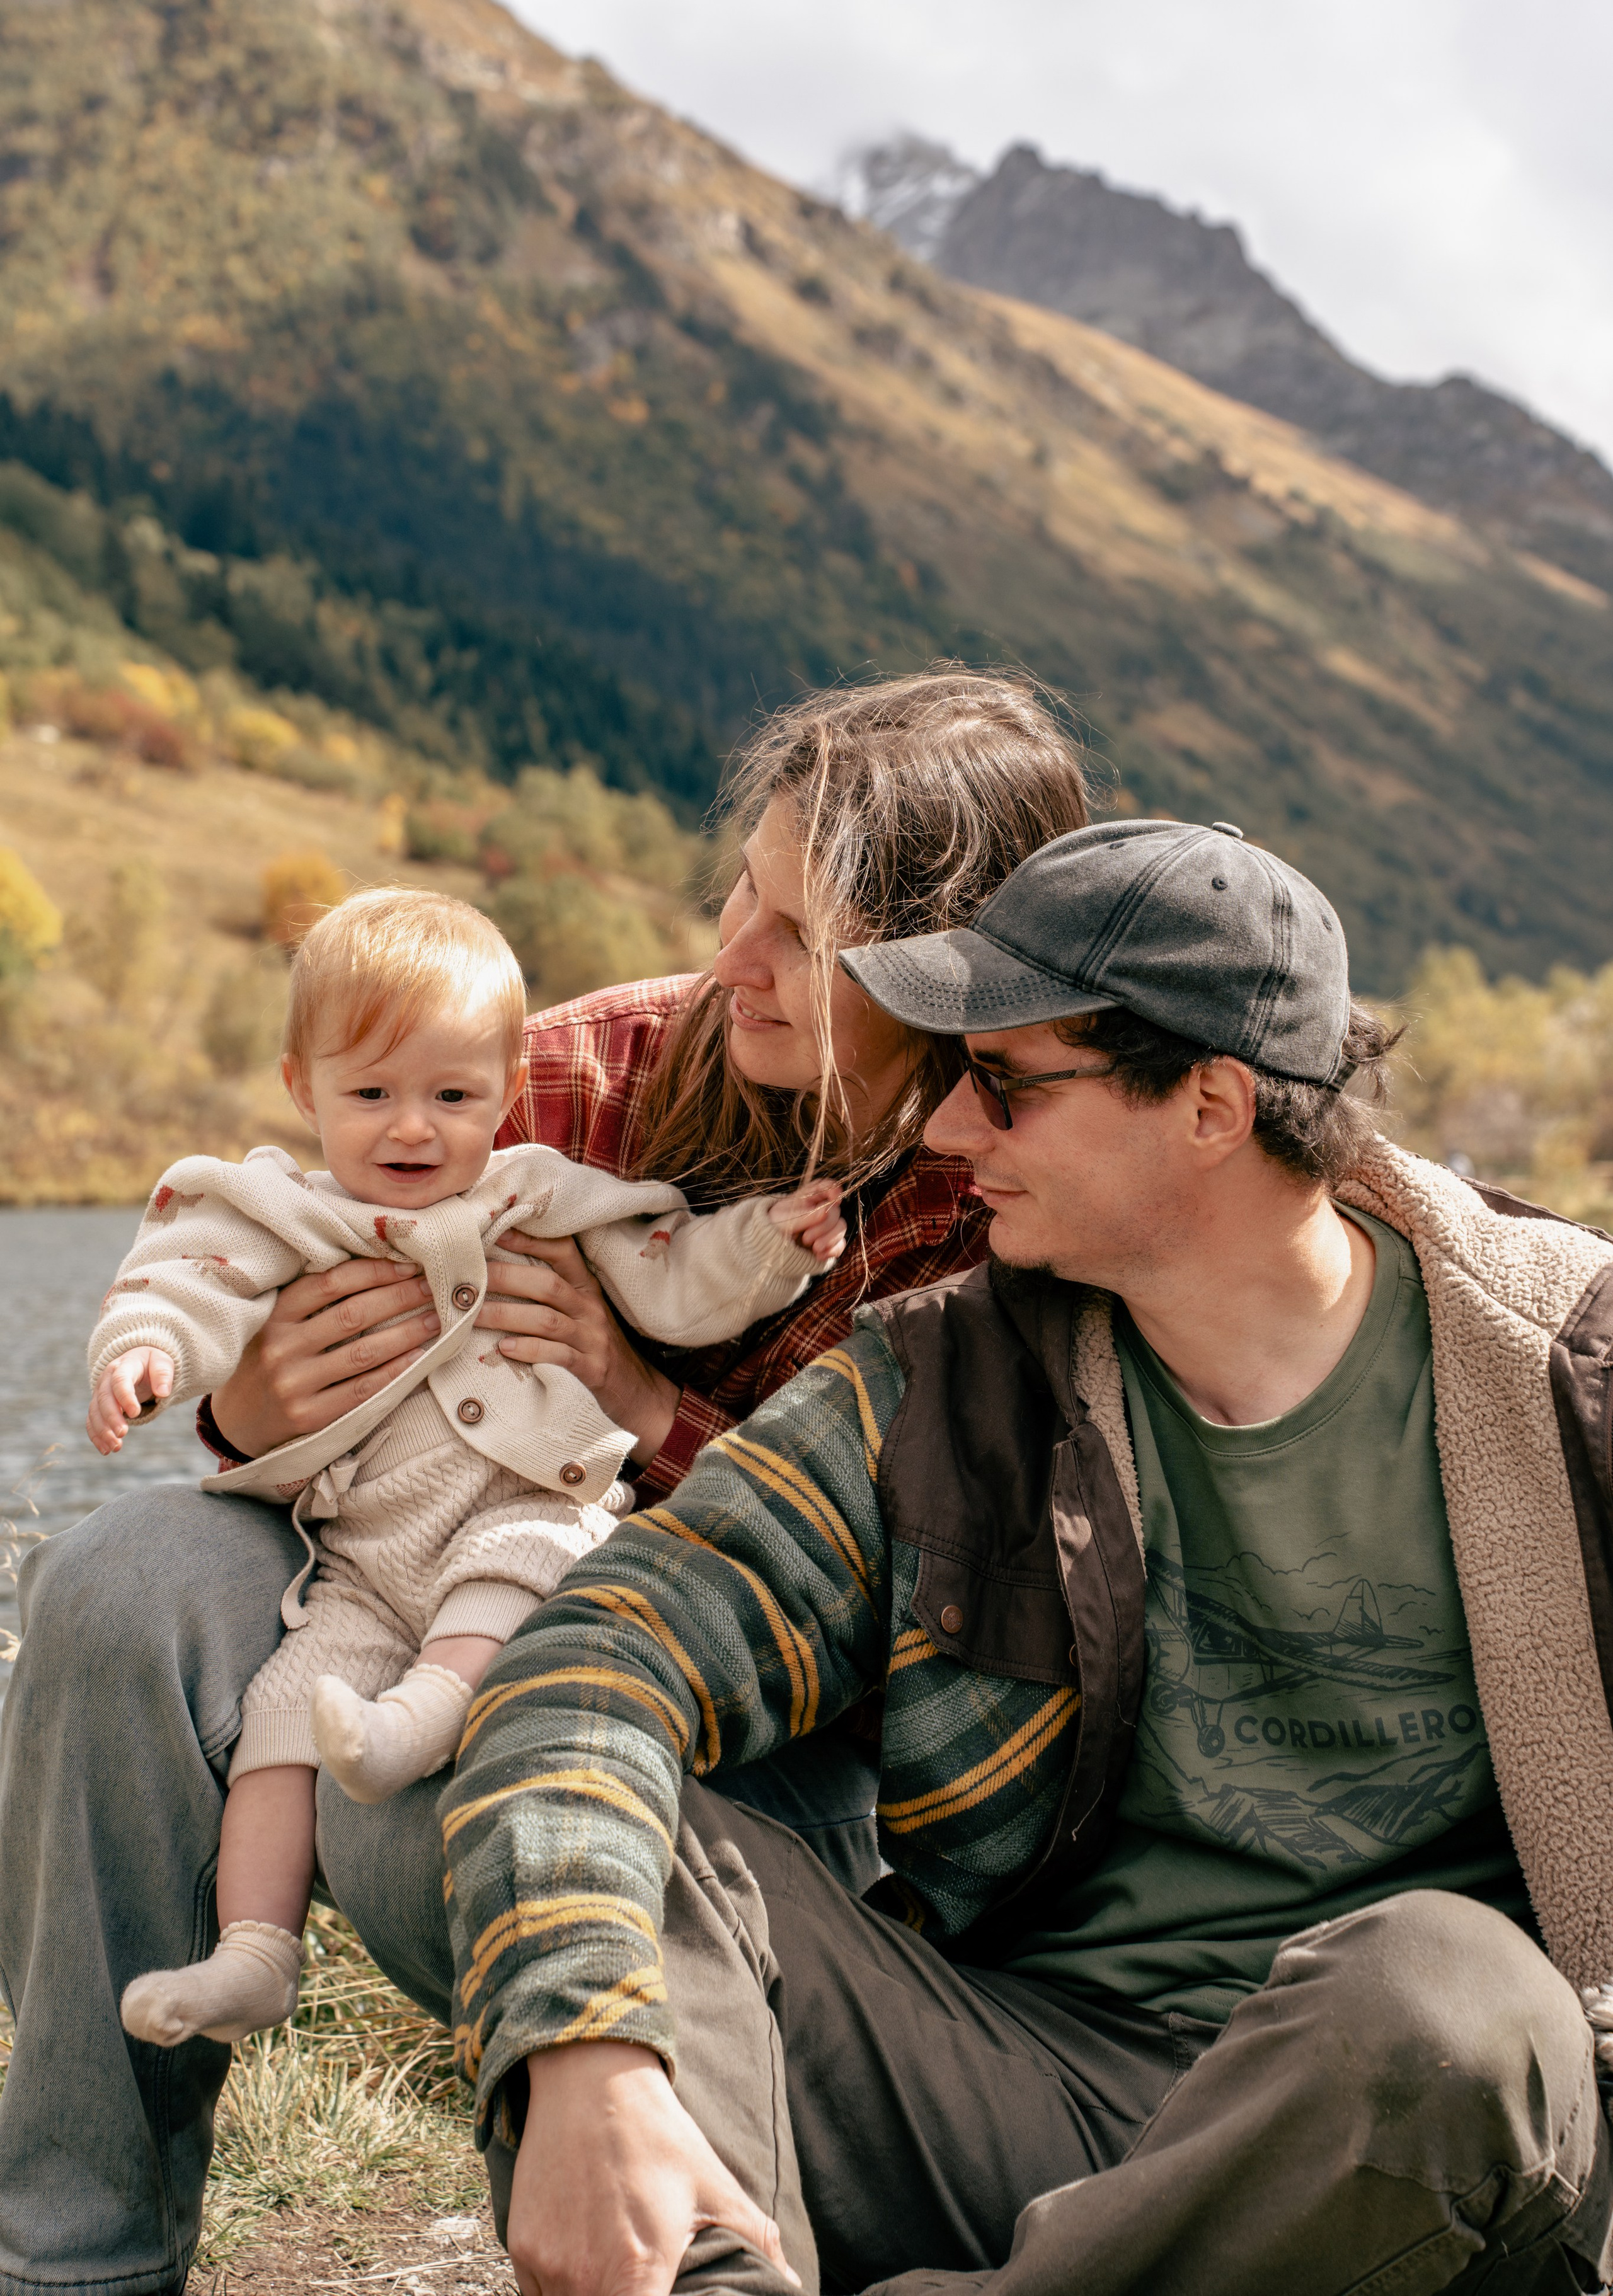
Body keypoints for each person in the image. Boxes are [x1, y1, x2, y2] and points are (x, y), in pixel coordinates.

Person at [0, 666, 1091, 2296]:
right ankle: (70, 2262)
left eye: (801, 934)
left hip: (784, 1757)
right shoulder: (580, 1076)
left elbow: (908, 1631)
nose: (736, 957)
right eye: (742, 891)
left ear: (941, 974)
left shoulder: (1017, 1198)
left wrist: (643, 1399)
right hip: (415, 1573)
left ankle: (652, 2236)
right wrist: (252, 1403)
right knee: (119, 1583)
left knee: (431, 1789)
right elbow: (301, 1265)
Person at [432, 817, 1613, 2296]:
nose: (940, 1135)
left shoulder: (1568, 1377)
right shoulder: (939, 1387)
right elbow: (594, 1659)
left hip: (1396, 2155)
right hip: (1010, 2090)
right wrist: (589, 2048)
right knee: (636, 1844)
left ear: (1209, 1103)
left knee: (1447, 1997)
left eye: (1001, 1086)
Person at [87, 887, 844, 2051]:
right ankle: (253, 1952)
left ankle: (429, 1715)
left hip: (526, 1499)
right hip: (364, 1559)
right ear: (304, 1092)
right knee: (287, 1715)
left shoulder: (534, 1194)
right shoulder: (282, 1210)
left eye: (452, 1097)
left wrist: (769, 1251)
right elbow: (185, 1276)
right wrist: (146, 1351)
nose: (412, 1130)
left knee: (521, 1560)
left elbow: (672, 1276)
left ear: (504, 1089)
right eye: (372, 1096)